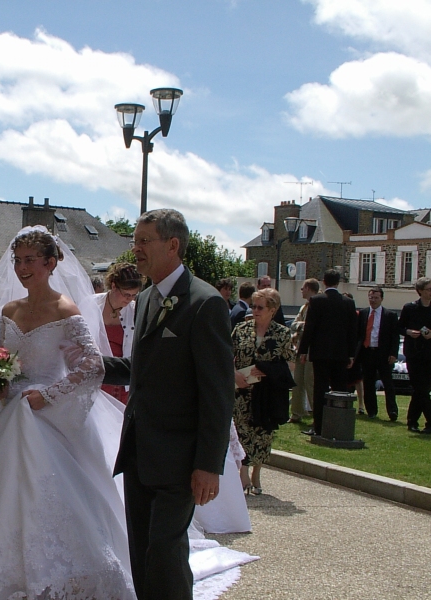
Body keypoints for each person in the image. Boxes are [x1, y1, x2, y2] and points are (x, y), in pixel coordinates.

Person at [0, 227, 136, 599]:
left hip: (45, 414)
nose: (22, 267)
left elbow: (92, 367)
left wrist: (48, 394)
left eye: (30, 260)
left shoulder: (65, 309)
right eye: (18, 261)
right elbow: (3, 357)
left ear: (50, 263)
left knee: (48, 491)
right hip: (5, 413)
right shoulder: (9, 310)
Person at [103, 209, 235, 599]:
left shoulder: (205, 303)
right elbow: (139, 369)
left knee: (165, 553)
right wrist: (90, 365)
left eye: (144, 241)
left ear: (172, 245)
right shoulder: (144, 299)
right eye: (134, 241)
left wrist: (209, 465)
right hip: (140, 452)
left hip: (180, 458)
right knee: (142, 551)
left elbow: (218, 391)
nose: (135, 250)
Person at [232, 288, 295, 495]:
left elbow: (290, 364)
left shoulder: (282, 334)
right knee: (241, 431)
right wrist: (234, 375)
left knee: (262, 433)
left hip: (267, 392)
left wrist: (269, 371)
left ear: (273, 310)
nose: (255, 310)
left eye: (260, 307)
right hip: (241, 390)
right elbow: (225, 355)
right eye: (253, 306)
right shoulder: (240, 329)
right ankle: (243, 473)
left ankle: (256, 473)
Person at [297, 269, 358, 437]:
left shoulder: (316, 301)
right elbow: (353, 331)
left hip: (320, 352)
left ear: (324, 281)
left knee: (320, 390)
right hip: (341, 353)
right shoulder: (348, 302)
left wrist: (303, 351)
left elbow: (310, 327)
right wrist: (351, 354)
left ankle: (319, 426)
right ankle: (339, 424)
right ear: (338, 283)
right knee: (340, 389)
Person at [95, 262, 142, 404]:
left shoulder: (135, 310)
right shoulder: (93, 305)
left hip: (122, 381)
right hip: (97, 378)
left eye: (134, 295)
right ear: (114, 286)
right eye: (126, 294)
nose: (130, 299)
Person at [358, 287, 400, 421]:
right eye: (371, 297)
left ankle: (392, 411)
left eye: (376, 298)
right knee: (368, 383)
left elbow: (395, 336)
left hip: (383, 354)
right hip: (367, 352)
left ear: (381, 299)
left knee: (388, 383)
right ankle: (371, 410)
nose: (373, 300)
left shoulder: (390, 315)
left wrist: (393, 353)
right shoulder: (363, 313)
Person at [398, 277, 431, 434]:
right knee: (420, 388)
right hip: (414, 353)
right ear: (420, 291)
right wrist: (409, 332)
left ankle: (412, 420)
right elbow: (400, 327)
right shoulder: (410, 308)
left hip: (429, 353)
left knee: (421, 390)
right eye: (428, 289)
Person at [287, 278, 319, 423]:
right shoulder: (304, 307)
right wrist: (300, 328)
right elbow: (294, 325)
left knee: (309, 382)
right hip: (300, 348)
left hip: (312, 350)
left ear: (309, 288)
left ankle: (316, 415)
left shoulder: (318, 305)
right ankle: (296, 413)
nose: (301, 291)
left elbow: (313, 327)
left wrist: (301, 327)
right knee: (297, 382)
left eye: (303, 288)